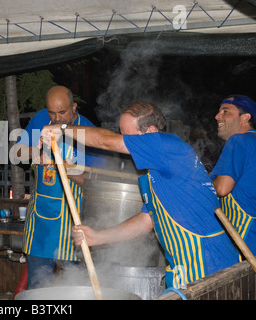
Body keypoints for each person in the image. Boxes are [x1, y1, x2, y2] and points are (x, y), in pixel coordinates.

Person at [41, 101, 240, 289]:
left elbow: (108, 142)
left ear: (151, 133)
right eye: (122, 134)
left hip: (209, 263)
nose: (125, 142)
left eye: (128, 136)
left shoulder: (168, 145)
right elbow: (146, 221)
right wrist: (97, 237)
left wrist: (63, 129)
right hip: (185, 267)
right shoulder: (155, 174)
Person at [13, 85, 105, 289]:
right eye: (52, 113)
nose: (57, 118)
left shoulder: (88, 132)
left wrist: (65, 167)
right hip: (41, 224)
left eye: (62, 112)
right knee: (38, 288)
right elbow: (17, 153)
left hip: (74, 224)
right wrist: (38, 151)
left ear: (74, 107)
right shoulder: (39, 120)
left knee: (76, 287)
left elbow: (94, 184)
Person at [211, 95, 256, 255]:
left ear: (245, 117)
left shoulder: (238, 141)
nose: (217, 116)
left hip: (243, 242)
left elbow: (222, 188)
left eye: (225, 111)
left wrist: (200, 182)